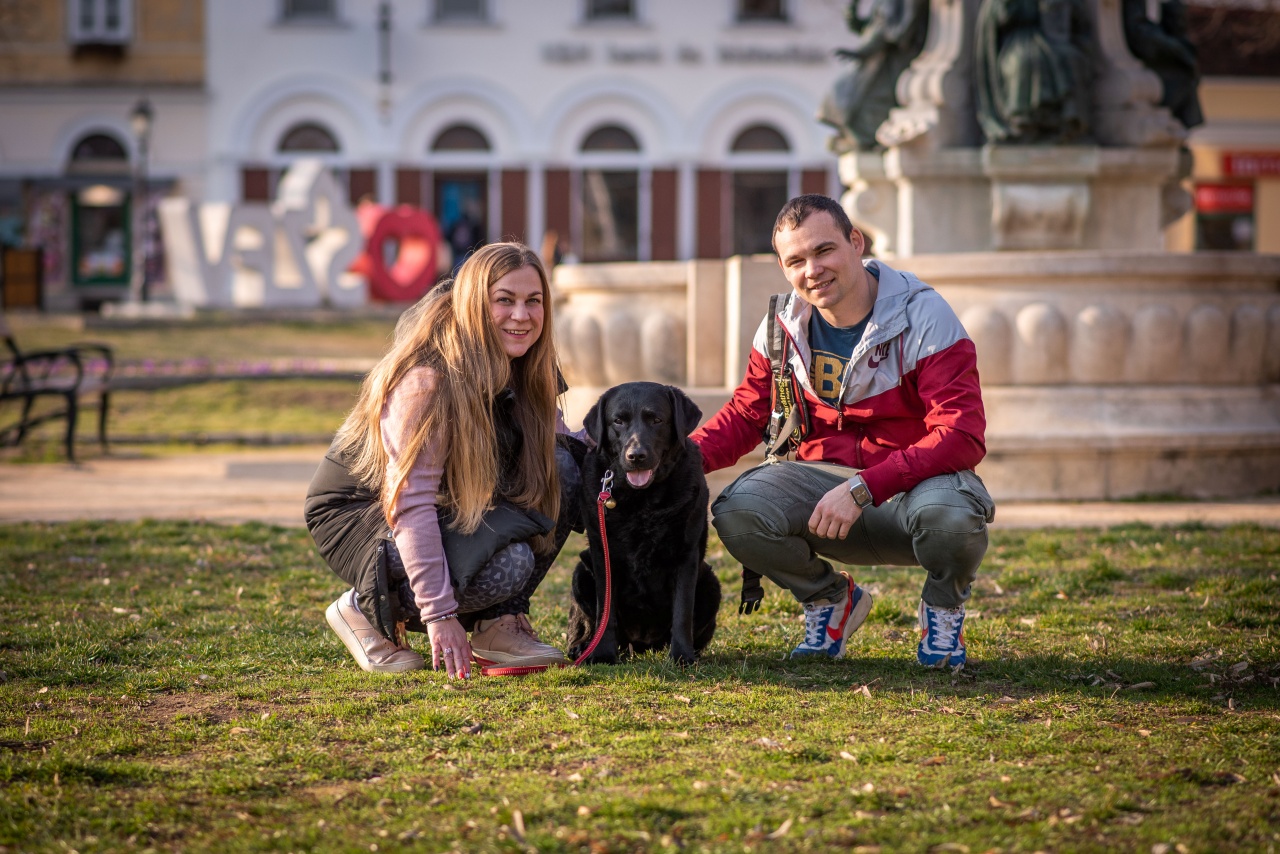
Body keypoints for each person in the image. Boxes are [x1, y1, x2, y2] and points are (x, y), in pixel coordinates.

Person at [690, 195, 994, 669]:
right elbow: (747, 415)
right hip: (820, 493)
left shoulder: (925, 313)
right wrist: (672, 459)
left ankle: (942, 607)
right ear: (783, 267)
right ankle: (830, 599)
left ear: (856, 242)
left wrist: (862, 488)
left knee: (951, 518)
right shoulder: (781, 324)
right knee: (738, 511)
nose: (812, 270)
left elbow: (961, 434)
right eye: (796, 260)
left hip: (911, 494)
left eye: (824, 250)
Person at [305, 242, 585, 679]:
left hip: (443, 504)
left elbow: (568, 450)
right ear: (474, 303)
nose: (522, 315)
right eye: (504, 300)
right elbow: (410, 503)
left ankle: (499, 625)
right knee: (507, 565)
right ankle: (362, 608)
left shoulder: (529, 366)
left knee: (566, 465)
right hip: (366, 512)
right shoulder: (428, 380)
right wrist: (439, 615)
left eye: (534, 301)